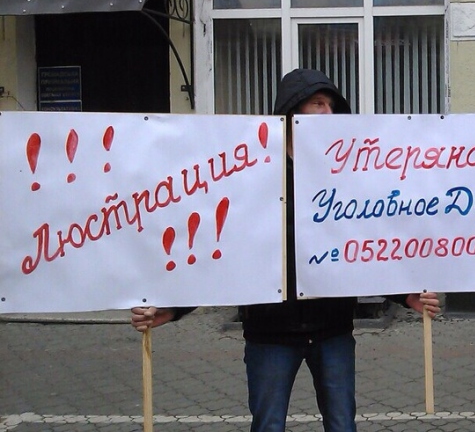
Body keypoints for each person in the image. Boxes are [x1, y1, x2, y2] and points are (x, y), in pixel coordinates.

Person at [131, 68, 440, 432]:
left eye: (332, 106)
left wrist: (406, 295)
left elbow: (367, 244)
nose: (327, 112)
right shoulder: (253, 174)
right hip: (270, 334)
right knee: (268, 426)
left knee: (342, 425)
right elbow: (222, 249)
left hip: (333, 330)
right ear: (292, 111)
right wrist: (173, 307)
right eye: (318, 103)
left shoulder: (346, 175)